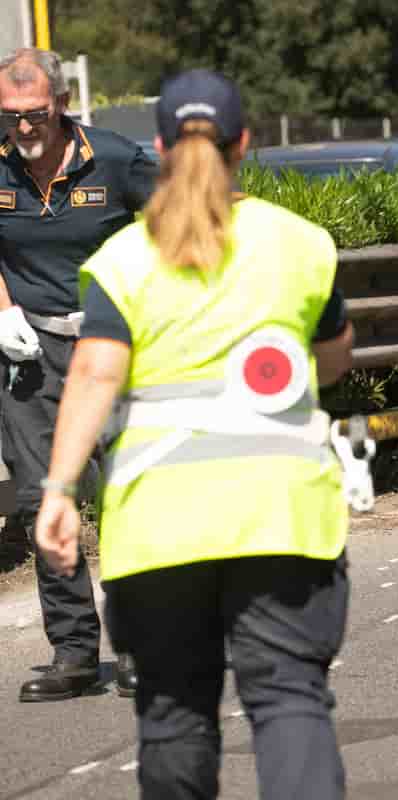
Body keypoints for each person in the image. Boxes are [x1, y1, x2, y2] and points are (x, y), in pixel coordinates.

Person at [34, 69, 355, 799]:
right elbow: (334, 361)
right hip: (283, 520)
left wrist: (57, 491)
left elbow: (92, 377)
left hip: (160, 530)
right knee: (288, 700)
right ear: (244, 144)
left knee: (175, 713)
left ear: (159, 146)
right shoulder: (299, 243)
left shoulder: (125, 259)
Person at [0, 47, 156, 702]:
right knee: (42, 498)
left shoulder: (117, 160)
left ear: (62, 104)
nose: (24, 129)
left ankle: (146, 642)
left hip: (111, 345)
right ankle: (72, 651)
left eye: (35, 114)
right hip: (28, 355)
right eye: (11, 117)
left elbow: (176, 229)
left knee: (128, 496)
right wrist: (3, 310)